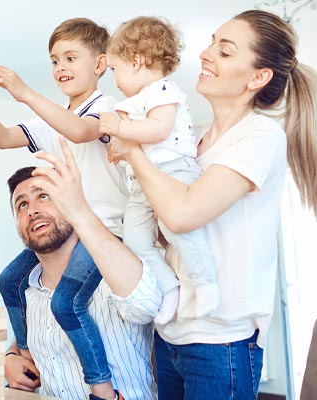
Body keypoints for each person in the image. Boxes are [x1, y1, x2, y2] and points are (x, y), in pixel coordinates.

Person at [112, 9, 317, 399]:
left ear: (257, 77)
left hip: (221, 344)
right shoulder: (193, 141)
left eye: (225, 50)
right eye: (212, 42)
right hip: (171, 336)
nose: (207, 54)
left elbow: (182, 215)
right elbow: (170, 229)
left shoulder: (259, 137)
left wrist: (133, 152)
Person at [0, 18, 128, 400]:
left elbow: (81, 131)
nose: (60, 67)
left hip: (101, 232)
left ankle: (101, 387)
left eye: (70, 58)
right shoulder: (54, 120)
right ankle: (25, 350)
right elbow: (8, 137)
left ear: (100, 65)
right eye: (54, 60)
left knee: (65, 301)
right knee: (9, 280)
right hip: (72, 232)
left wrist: (24, 91)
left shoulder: (105, 106)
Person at [3, 163, 159, 400]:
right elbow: (43, 339)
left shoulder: (114, 276)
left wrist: (82, 214)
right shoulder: (28, 295)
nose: (32, 210)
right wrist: (11, 356)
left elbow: (148, 303)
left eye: (43, 196)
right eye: (22, 204)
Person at [98, 16, 218, 324]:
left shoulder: (164, 91)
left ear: (136, 61)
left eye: (115, 69)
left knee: (176, 230)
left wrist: (121, 127)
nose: (114, 79)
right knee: (135, 241)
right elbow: (130, 143)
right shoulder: (132, 101)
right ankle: (169, 286)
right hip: (142, 184)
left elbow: (158, 130)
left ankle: (206, 283)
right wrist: (118, 147)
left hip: (173, 173)